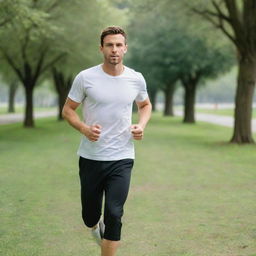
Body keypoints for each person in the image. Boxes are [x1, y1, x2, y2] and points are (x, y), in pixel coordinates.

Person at [62, 26, 152, 256]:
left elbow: (145, 105)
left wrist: (140, 125)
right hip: (91, 157)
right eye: (110, 45)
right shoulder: (86, 77)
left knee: (114, 213)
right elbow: (68, 110)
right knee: (90, 216)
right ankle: (95, 227)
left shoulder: (136, 79)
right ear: (101, 48)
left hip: (122, 157)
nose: (114, 49)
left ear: (125, 48)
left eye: (119, 45)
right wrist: (84, 128)